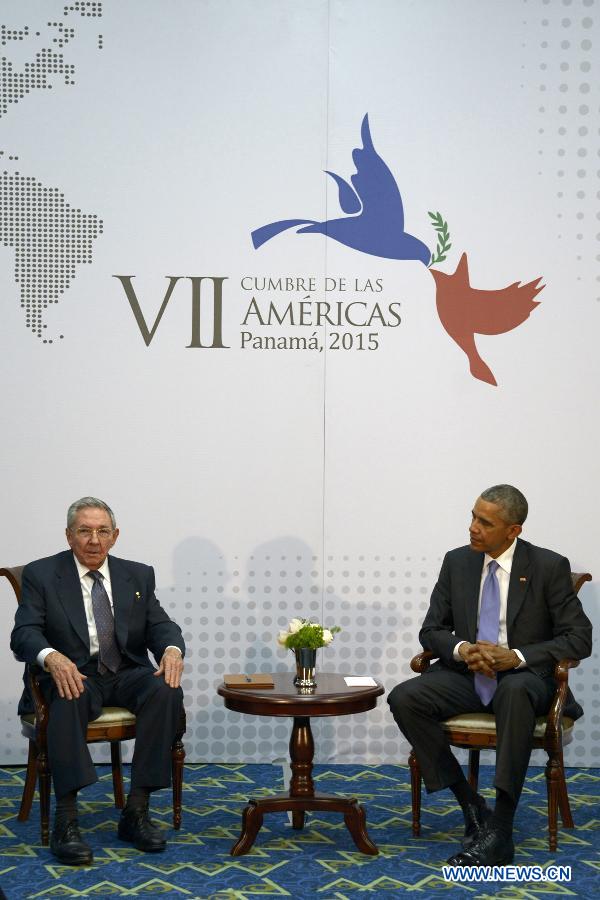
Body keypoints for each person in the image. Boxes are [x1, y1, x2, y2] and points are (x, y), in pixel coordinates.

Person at [387, 485, 592, 866]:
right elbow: (431, 630)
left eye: (485, 522)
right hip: (468, 675)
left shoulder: (548, 566)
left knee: (514, 691)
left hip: (526, 679)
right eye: (473, 517)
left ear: (513, 530)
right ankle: (470, 803)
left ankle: (501, 828)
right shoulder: (457, 562)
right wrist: (463, 649)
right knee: (405, 697)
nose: (473, 527)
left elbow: (579, 638)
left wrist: (514, 657)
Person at [11, 497, 185, 866]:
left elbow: (160, 624)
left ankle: (136, 810)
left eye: (103, 531)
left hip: (124, 672)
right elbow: (23, 633)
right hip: (74, 673)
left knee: (165, 690)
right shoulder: (43, 575)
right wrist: (51, 657)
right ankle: (66, 820)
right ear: (69, 535)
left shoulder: (137, 575)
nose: (94, 540)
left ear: (115, 536)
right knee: (69, 693)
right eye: (85, 531)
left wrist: (171, 649)